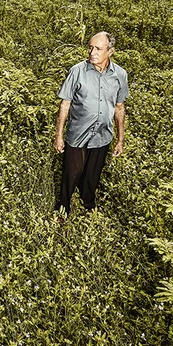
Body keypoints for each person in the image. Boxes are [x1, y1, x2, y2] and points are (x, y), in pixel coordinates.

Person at [53, 31, 128, 216]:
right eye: (90, 47)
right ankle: (63, 207)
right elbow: (65, 104)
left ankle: (88, 203)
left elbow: (119, 107)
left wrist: (120, 139)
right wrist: (59, 136)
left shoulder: (120, 75)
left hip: (102, 134)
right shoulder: (77, 71)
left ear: (110, 51)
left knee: (93, 175)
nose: (92, 52)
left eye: (98, 49)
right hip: (78, 133)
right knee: (72, 172)